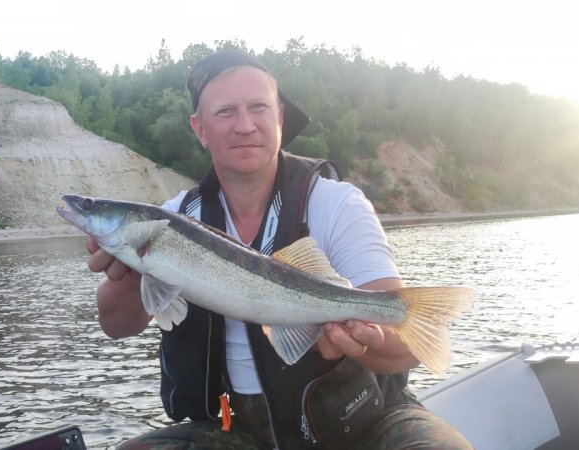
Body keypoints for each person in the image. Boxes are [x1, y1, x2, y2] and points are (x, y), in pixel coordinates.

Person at [87, 50, 471, 450]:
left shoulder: (337, 204)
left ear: (280, 118)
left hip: (361, 424)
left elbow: (405, 350)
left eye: (258, 107)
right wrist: (131, 268)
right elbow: (116, 325)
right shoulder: (171, 220)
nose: (245, 125)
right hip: (235, 432)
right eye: (225, 112)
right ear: (200, 129)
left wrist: (365, 342)